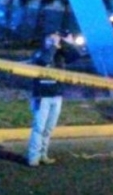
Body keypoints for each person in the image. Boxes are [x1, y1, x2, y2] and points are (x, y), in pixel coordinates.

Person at [27, 30, 78, 167]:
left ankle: (43, 155)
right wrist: (54, 46)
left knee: (49, 129)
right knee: (39, 127)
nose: (54, 41)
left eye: (55, 38)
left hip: (56, 96)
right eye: (50, 38)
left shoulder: (60, 55)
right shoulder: (39, 53)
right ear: (45, 40)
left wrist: (68, 44)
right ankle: (33, 157)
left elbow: (75, 56)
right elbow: (44, 61)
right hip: (42, 96)